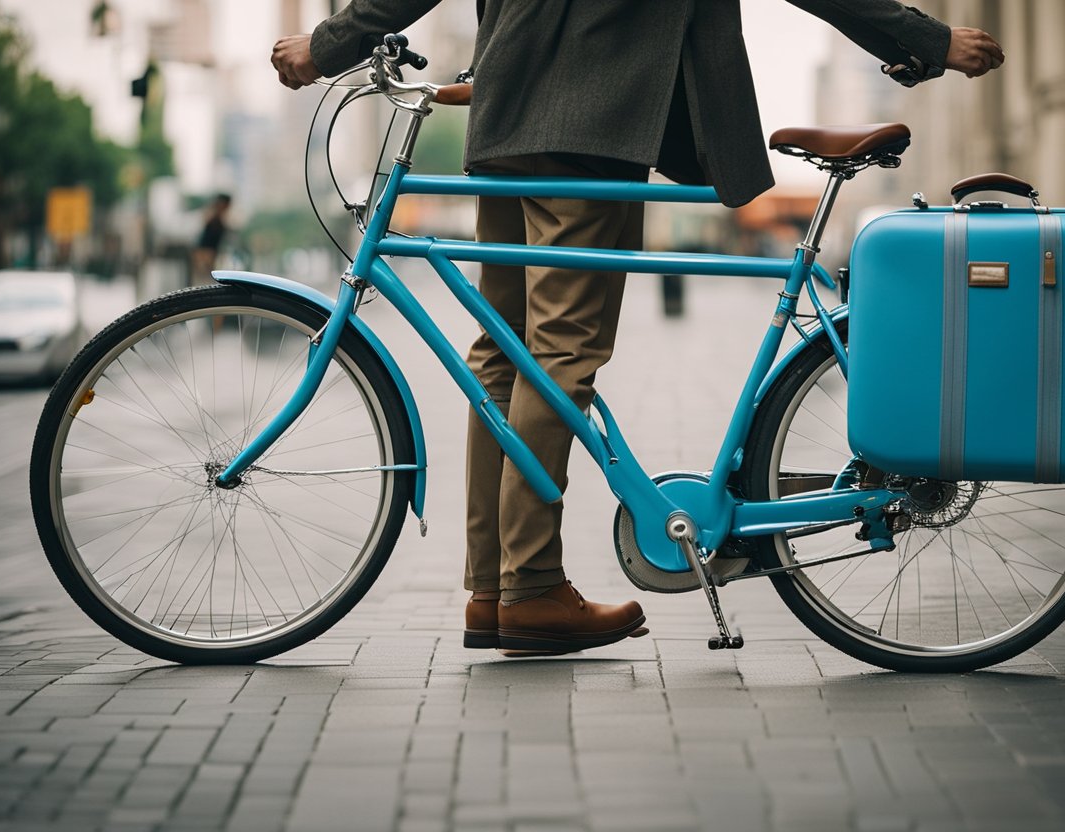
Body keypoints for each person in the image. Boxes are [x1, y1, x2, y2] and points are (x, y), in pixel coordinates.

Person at [271, 1, 1004, 656]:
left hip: (513, 116)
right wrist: (928, 41)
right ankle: (526, 590)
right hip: (592, 117)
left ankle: (497, 588)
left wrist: (324, 46)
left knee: (507, 349)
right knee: (549, 349)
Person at [190, 193, 232, 286]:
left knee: (206, 281)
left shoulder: (218, 217)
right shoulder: (213, 216)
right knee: (203, 281)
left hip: (210, 253)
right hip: (205, 253)